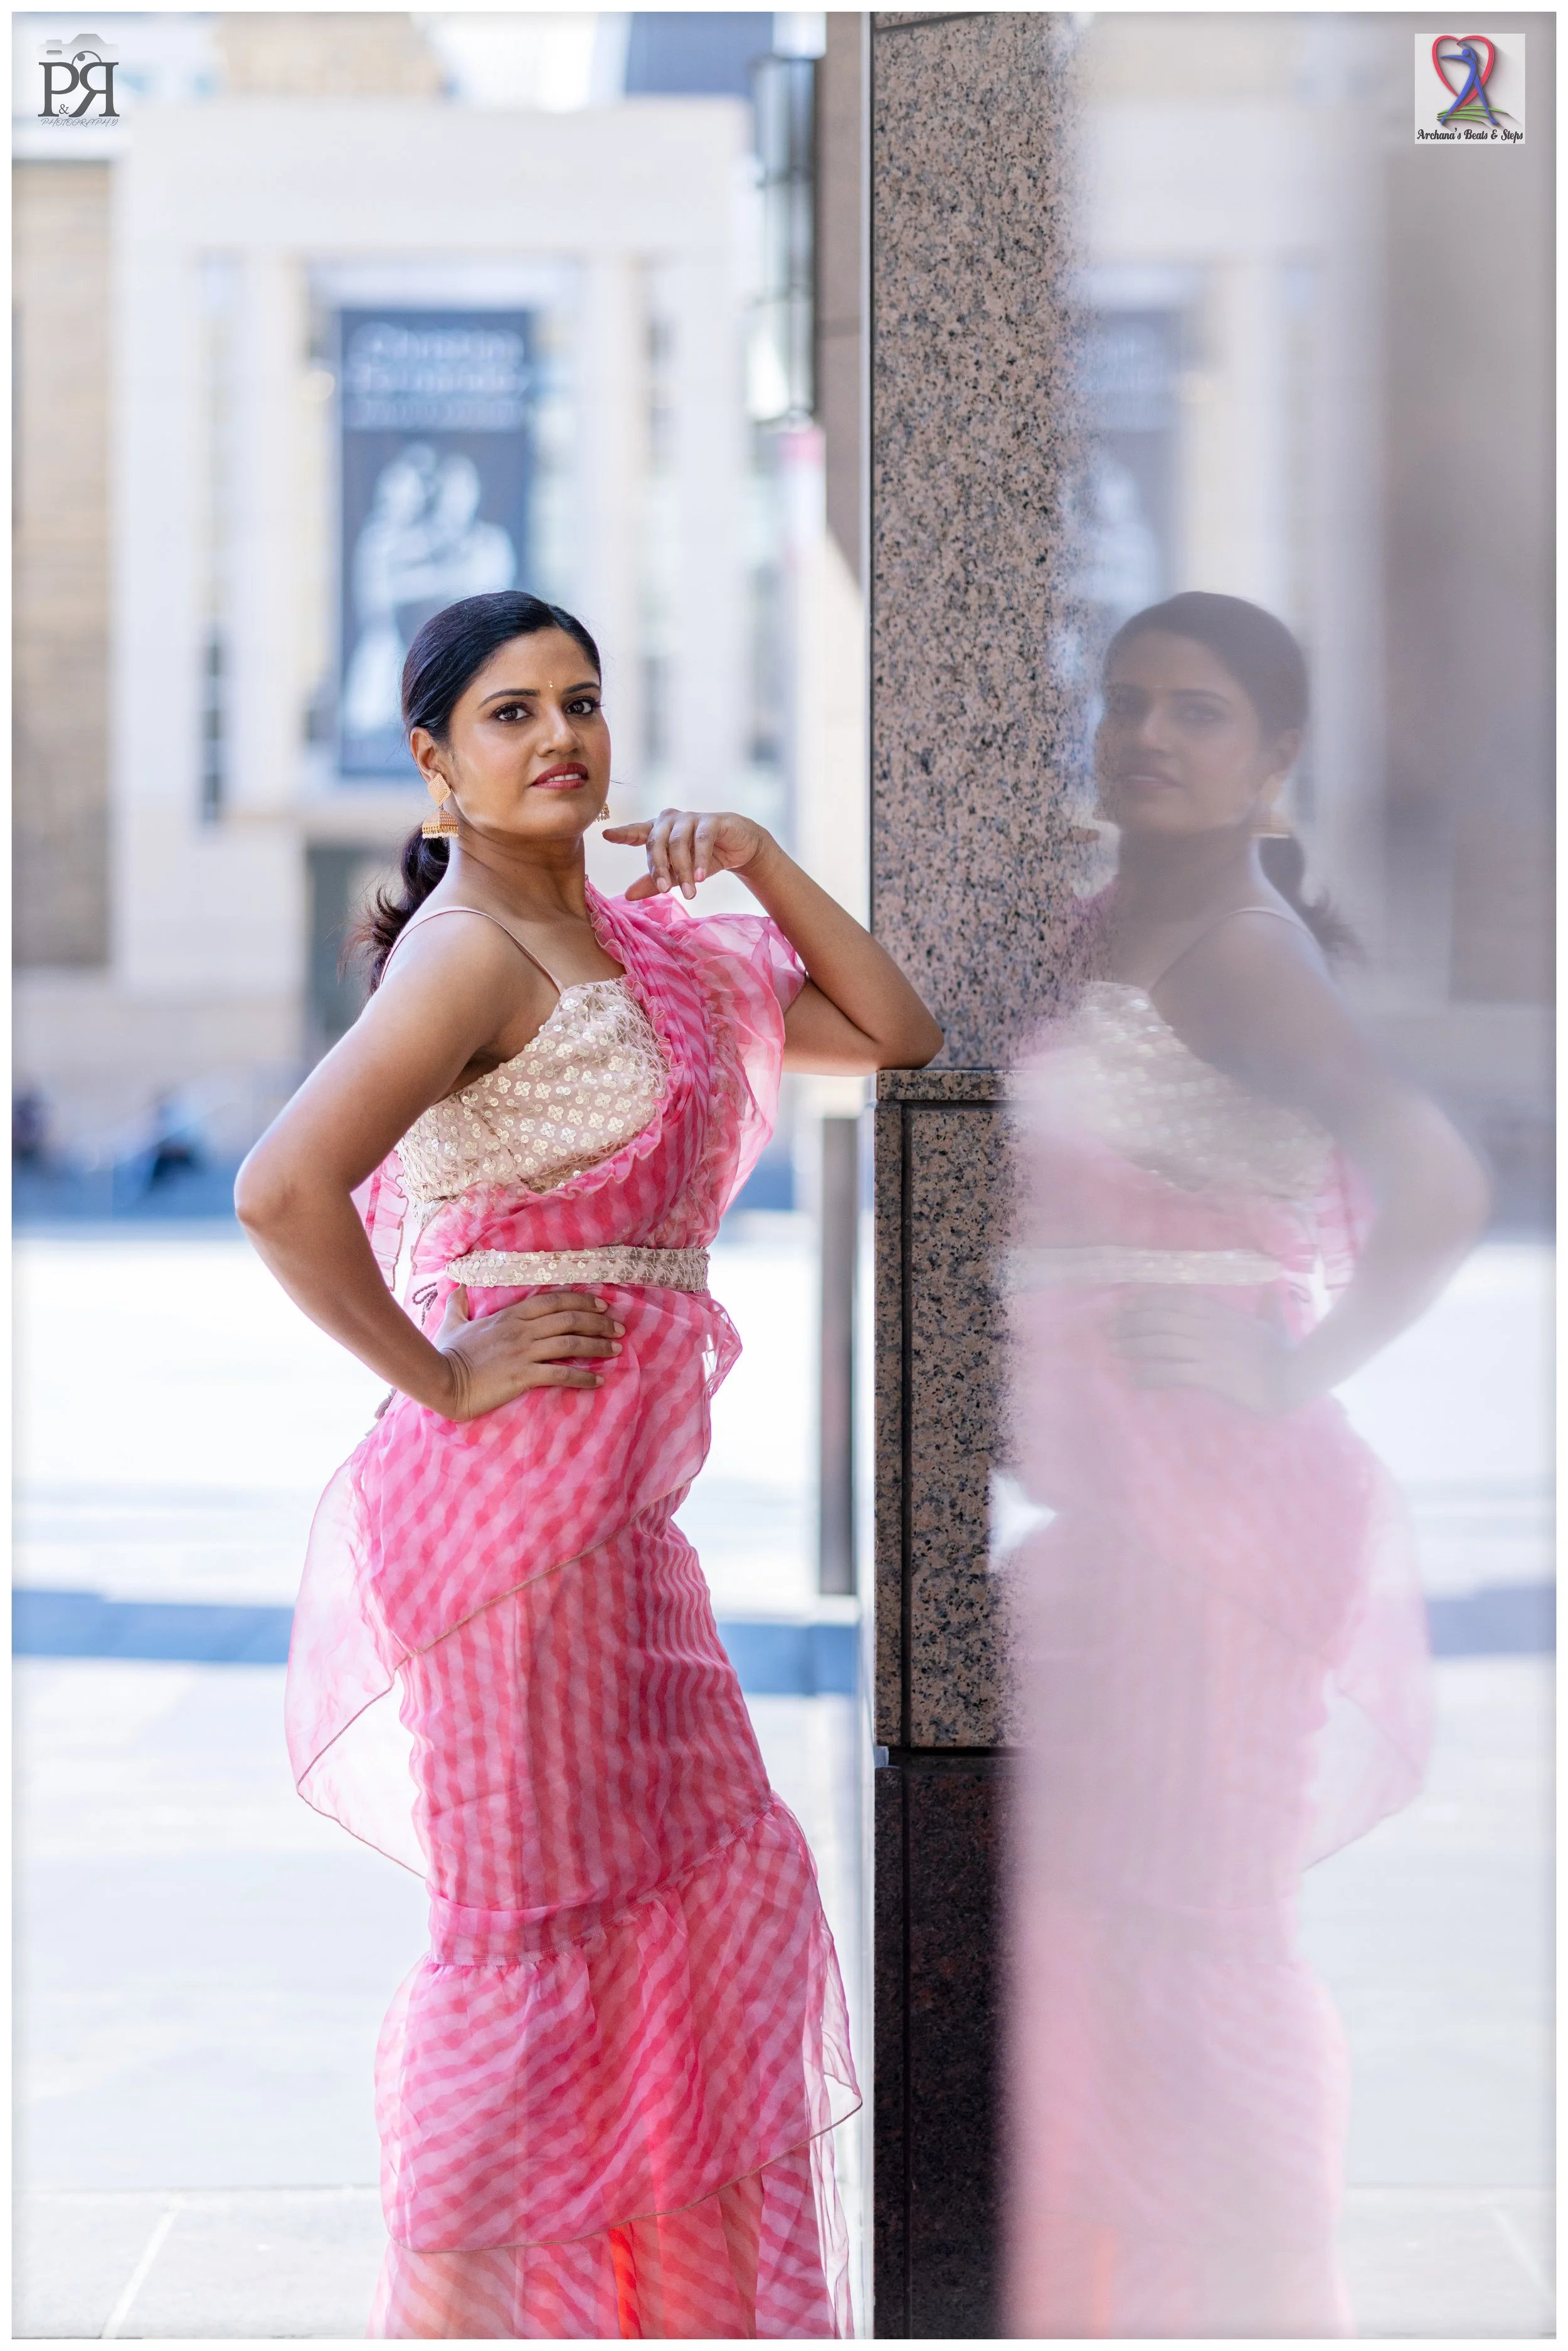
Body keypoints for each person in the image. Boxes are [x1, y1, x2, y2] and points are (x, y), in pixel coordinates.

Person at [235, 588, 941, 2340]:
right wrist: (439, 1372)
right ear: (433, 764)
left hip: (624, 1526)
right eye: (508, 714)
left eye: (581, 702)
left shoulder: (660, 948)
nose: (558, 738)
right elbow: (280, 1188)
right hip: (500, 1515)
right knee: (535, 1942)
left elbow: (893, 1028)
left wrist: (764, 861)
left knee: (695, 1909)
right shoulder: (466, 948)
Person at [1002, 592, 1490, 2337]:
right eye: (1124, 701)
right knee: (1092, 1952)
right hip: (1114, 1520)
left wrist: (1288, 1368)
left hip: (1212, 1517)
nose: (1143, 734)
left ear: (1273, 758)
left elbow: (1431, 1181)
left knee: (1187, 1944)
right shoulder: (1101, 927)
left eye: (1194, 711)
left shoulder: (1244, 951)